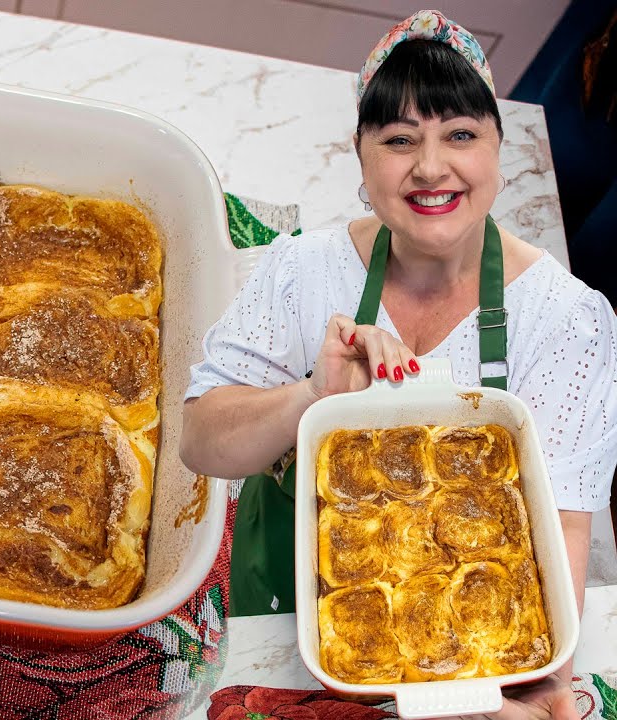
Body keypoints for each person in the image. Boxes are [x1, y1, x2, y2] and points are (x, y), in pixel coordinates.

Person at [180, 9, 617, 719]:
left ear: (499, 150)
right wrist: (310, 397)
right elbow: (199, 443)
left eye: (462, 134)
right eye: (400, 139)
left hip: (472, 644)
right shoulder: (304, 270)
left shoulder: (568, 321)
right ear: (361, 155)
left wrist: (541, 684)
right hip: (277, 617)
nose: (431, 166)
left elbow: (558, 523)